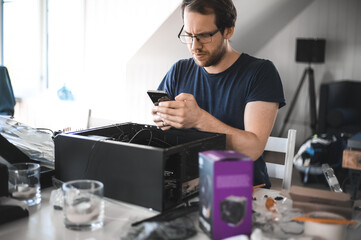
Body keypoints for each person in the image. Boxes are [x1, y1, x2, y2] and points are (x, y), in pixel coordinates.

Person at [152, 0, 285, 188]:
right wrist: (163, 118)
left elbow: (253, 149)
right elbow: (161, 129)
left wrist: (199, 119)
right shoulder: (179, 70)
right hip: (188, 186)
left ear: (228, 30)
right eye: (189, 35)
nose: (194, 46)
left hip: (242, 190)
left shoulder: (260, 73)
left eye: (204, 36)